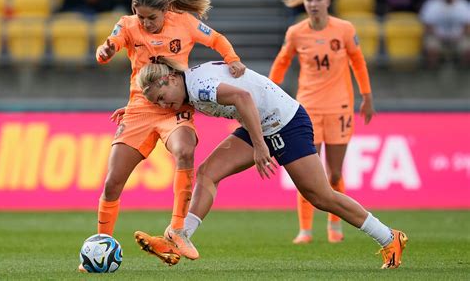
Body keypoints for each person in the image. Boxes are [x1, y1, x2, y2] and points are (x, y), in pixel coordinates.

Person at [134, 58, 408, 269]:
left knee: (321, 196)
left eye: (161, 97)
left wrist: (260, 146)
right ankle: (178, 238)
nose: (164, 105)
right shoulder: (188, 85)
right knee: (207, 172)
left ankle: (389, 237)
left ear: (170, 78)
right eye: (157, 102)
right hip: (260, 124)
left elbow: (243, 98)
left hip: (286, 123)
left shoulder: (199, 87)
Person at [79, 0, 246, 272]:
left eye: (151, 18)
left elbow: (217, 39)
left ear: (166, 10)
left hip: (174, 106)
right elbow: (107, 49)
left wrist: (233, 60)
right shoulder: (128, 25)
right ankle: (101, 243)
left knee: (185, 151)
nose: (145, 23)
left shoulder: (184, 23)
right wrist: (104, 52)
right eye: (141, 17)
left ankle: (178, 231)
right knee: (112, 182)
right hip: (140, 109)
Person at [268, 0, 375, 244]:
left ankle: (335, 226)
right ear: (304, 4)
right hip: (307, 109)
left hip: (339, 107)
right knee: (307, 175)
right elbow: (281, 64)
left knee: (335, 173)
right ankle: (305, 230)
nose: (313, 4)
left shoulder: (345, 29)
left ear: (328, 1)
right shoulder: (296, 32)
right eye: (309, 0)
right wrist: (268, 95)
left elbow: (358, 62)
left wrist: (367, 96)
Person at [419, 0, 470, 68]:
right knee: (432, 48)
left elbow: (467, 26)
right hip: (436, 37)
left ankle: (464, 75)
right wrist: (438, 35)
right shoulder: (431, 4)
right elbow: (427, 26)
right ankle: (432, 74)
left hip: (459, 38)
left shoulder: (464, 5)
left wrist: (459, 36)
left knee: (467, 49)